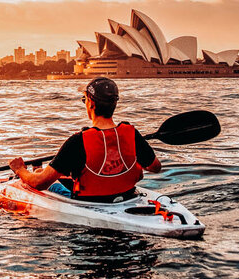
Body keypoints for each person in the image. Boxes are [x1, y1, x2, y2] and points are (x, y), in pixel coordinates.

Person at [8, 77, 162, 202]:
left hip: (88, 202)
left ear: (91, 103)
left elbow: (40, 183)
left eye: (84, 100)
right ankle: (39, 169)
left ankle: (35, 171)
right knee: (44, 171)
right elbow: (155, 167)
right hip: (127, 197)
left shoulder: (77, 141)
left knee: (39, 178)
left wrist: (19, 169)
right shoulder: (132, 134)